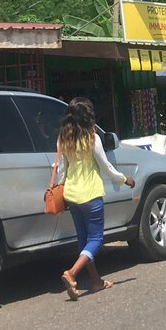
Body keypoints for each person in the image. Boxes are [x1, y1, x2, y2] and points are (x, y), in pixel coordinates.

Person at [55, 97, 135, 301]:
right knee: (96, 240)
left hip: (72, 196)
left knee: (84, 240)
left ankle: (96, 281)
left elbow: (62, 172)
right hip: (90, 195)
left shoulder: (63, 138)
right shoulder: (92, 138)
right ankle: (71, 274)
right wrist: (125, 179)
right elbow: (106, 167)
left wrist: (61, 193)